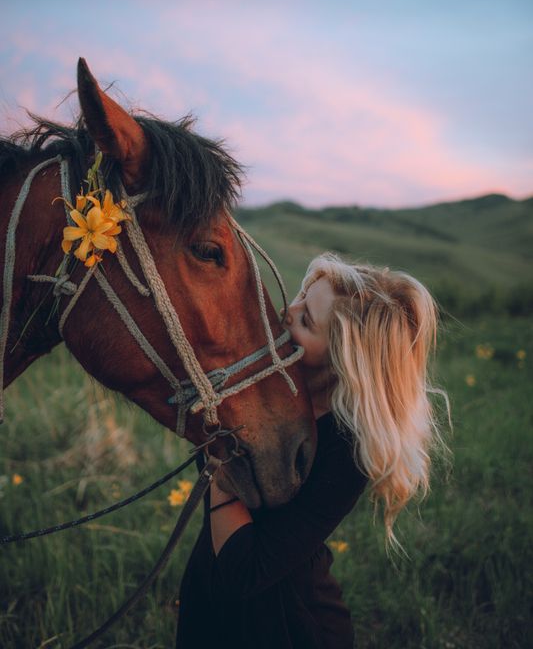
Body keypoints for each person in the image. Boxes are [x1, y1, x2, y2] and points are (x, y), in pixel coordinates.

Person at [176, 252, 450, 649]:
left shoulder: (348, 451)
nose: (287, 311)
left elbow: (245, 571)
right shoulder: (267, 389)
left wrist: (224, 464)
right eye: (302, 296)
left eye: (306, 320)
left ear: (342, 361)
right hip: (207, 597)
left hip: (285, 626)